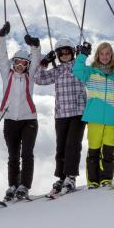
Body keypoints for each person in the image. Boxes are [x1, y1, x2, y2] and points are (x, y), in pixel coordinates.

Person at [73, 42, 114, 188]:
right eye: (102, 53)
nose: (105, 57)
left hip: (112, 119)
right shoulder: (90, 72)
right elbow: (77, 70)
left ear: (112, 56)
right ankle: (93, 181)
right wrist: (82, 55)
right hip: (94, 118)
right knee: (94, 151)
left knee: (109, 151)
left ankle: (106, 179)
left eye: (107, 54)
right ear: (97, 55)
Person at [34, 38, 87, 195]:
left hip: (78, 112)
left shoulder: (79, 67)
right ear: (57, 55)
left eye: (67, 52)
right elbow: (38, 79)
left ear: (72, 53)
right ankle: (61, 177)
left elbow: (86, 70)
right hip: (61, 113)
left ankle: (71, 176)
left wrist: (82, 54)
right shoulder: (56, 71)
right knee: (61, 146)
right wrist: (44, 62)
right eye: (61, 53)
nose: (64, 55)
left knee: (73, 145)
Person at [0, 22, 41, 200]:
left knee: (27, 154)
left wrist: (35, 45)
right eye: (17, 62)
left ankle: (24, 186)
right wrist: (1, 37)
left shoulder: (30, 77)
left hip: (28, 119)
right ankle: (12, 185)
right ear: (13, 63)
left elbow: (36, 58)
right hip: (9, 120)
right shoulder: (7, 74)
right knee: (13, 155)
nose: (21, 66)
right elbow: (1, 56)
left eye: (24, 63)